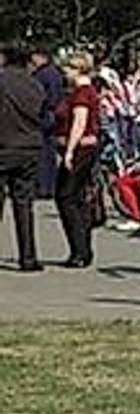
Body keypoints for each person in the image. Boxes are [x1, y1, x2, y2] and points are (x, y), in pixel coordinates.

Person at [51, 51, 101, 268]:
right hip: (82, 148)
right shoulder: (83, 92)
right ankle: (82, 249)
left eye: (68, 69)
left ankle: (79, 250)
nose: (65, 73)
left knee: (66, 197)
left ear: (78, 70)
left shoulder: (82, 94)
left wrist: (69, 151)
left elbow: (79, 123)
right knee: (76, 198)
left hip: (80, 149)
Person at [0, 44, 46, 271]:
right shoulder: (35, 84)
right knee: (24, 205)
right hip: (29, 148)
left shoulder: (2, 81)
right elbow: (44, 114)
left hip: (4, 146)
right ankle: (28, 257)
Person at [28, 45, 64, 198]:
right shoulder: (54, 73)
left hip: (43, 116)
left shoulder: (42, 75)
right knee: (49, 153)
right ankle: (49, 186)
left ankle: (42, 186)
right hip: (52, 115)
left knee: (42, 153)